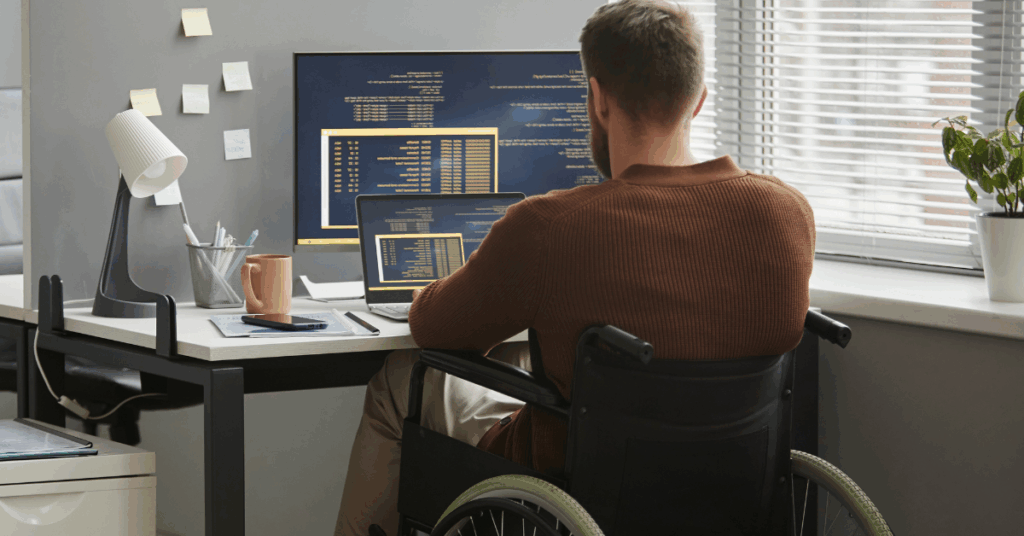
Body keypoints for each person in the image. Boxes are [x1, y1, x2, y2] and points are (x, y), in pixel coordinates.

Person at [334, 0, 815, 534]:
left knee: (400, 378)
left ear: (598, 98)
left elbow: (433, 328)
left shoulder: (551, 224)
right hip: (727, 487)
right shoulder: (785, 212)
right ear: (699, 99)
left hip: (573, 492)